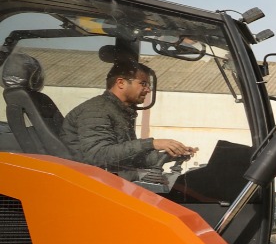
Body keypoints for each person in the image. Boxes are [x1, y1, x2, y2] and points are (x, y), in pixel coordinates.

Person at [60, 61, 196, 171]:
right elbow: (98, 156)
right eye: (143, 84)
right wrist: (151, 143)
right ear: (121, 83)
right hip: (88, 183)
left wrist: (169, 155)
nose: (148, 90)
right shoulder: (96, 111)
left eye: (148, 85)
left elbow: (127, 159)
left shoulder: (120, 111)